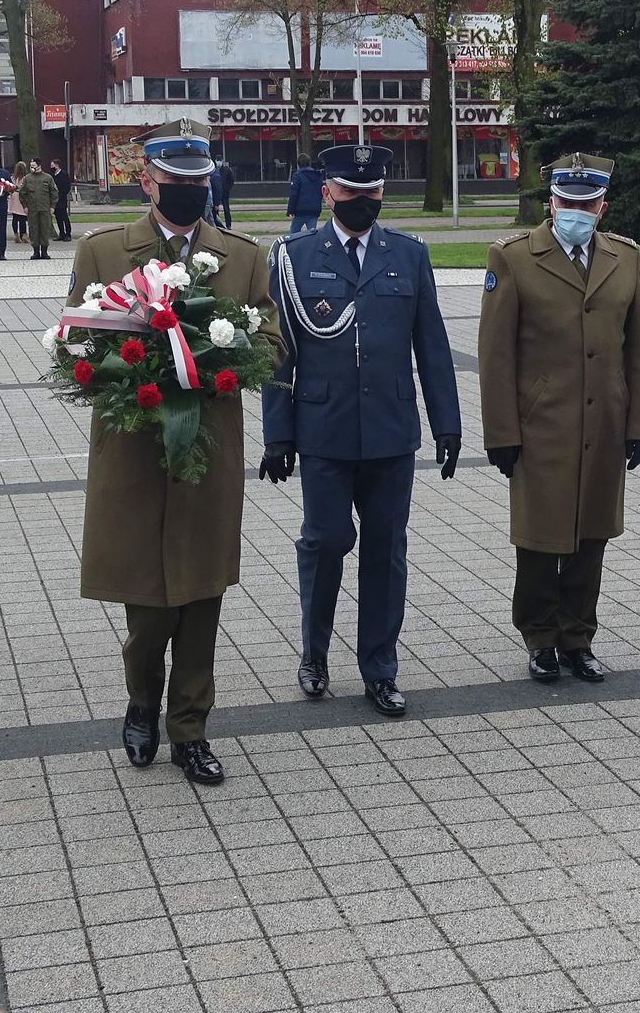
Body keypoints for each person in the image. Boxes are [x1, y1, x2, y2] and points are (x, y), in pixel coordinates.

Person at [67, 119, 282, 786]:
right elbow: (76, 342)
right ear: (147, 182)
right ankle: (141, 700)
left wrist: (226, 360)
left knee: (200, 593)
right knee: (148, 601)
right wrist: (133, 369)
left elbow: (273, 343)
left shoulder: (242, 256)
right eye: (175, 183)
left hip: (206, 451)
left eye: (199, 183)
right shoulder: (105, 253)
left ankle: (190, 727)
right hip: (134, 449)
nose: (189, 193)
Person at [261, 143, 462, 718]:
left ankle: (380, 668)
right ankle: (315, 654)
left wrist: (446, 421)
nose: (363, 202)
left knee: (386, 551)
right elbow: (280, 354)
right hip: (322, 430)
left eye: (372, 193)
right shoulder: (296, 256)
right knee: (324, 544)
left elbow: (432, 346)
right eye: (351, 192)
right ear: (328, 192)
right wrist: (278, 434)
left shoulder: (408, 254)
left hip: (391, 433)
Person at [478, 153, 640, 682]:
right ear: (551, 202)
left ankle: (578, 636)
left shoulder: (625, 257)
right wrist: (501, 432)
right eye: (566, 202)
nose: (575, 211)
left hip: (605, 418)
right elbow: (494, 354)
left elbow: (638, 348)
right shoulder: (512, 256)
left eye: (586, 203)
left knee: (592, 533)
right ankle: (539, 636)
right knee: (540, 535)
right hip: (542, 423)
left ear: (601, 206)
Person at [18, 156, 57, 260]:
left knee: (45, 229)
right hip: (32, 209)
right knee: (33, 230)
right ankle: (36, 251)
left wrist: (53, 206)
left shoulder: (48, 178)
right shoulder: (27, 178)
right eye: (30, 166)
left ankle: (44, 251)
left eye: (33, 166)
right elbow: (22, 193)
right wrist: (25, 206)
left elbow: (54, 193)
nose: (32, 168)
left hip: (45, 208)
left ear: (39, 166)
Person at [285, 154, 324, 234]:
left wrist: (291, 210)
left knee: (293, 234)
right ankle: (312, 246)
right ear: (309, 163)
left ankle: (294, 246)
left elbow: (294, 194)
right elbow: (320, 192)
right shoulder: (317, 176)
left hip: (300, 210)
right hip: (314, 210)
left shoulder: (297, 176)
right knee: (312, 234)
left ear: (298, 164)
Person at [50, 159, 73, 240]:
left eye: (52, 165)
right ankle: (61, 233)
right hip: (55, 200)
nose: (51, 167)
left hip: (62, 199)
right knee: (58, 218)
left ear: (57, 165)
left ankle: (68, 234)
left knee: (64, 217)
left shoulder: (64, 174)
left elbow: (67, 187)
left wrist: (61, 195)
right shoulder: (53, 176)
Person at [10, 161, 29, 244]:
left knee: (15, 218)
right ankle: (23, 234)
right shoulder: (26, 178)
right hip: (22, 198)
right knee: (23, 218)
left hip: (14, 197)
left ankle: (16, 234)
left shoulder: (13, 178)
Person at [214, 155, 235, 228]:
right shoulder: (213, 169)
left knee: (226, 209)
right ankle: (217, 225)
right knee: (215, 210)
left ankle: (228, 225)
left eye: (219, 160)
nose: (218, 161)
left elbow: (231, 181)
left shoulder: (227, 170)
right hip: (216, 193)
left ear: (222, 160)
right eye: (217, 160)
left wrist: (227, 189)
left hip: (225, 193)